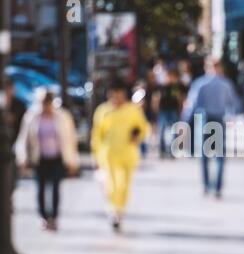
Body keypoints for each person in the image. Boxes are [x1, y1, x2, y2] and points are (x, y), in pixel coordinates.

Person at [15, 91, 80, 232]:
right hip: (40, 159)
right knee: (41, 188)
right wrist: (23, 158)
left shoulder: (62, 117)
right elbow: (23, 139)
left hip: (57, 158)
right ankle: (43, 217)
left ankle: (54, 217)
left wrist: (73, 161)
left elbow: (70, 140)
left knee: (55, 188)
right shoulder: (32, 117)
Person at [91, 79, 149, 233]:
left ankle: (119, 210)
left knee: (124, 186)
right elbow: (97, 135)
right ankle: (113, 211)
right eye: (113, 94)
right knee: (111, 185)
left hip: (128, 155)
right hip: (108, 155)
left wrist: (137, 135)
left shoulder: (132, 110)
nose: (116, 97)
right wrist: (95, 155)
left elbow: (143, 128)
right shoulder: (103, 111)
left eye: (119, 93)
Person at [185, 57, 241, 199]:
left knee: (204, 155)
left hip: (204, 120)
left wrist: (185, 121)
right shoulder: (226, 84)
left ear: (206, 67)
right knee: (220, 155)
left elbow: (192, 105)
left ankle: (206, 185)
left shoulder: (200, 84)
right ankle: (218, 188)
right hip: (219, 119)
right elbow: (234, 104)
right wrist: (232, 117)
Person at [155, 70, 187, 159]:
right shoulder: (162, 87)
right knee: (161, 131)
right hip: (163, 111)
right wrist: (156, 109)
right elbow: (157, 98)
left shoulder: (175, 87)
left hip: (173, 110)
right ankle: (162, 151)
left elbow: (179, 99)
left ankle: (172, 151)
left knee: (174, 132)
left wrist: (180, 110)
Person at [4, 79, 26, 144]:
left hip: (16, 139)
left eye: (11, 89)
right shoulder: (2, 104)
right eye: (7, 89)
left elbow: (24, 122)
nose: (9, 91)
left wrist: (14, 118)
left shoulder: (20, 105)